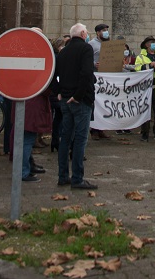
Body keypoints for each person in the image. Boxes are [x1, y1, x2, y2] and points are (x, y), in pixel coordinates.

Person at [55, 21, 97, 190]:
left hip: (65, 99)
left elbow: (56, 74)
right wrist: (78, 96)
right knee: (80, 140)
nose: (87, 35)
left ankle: (62, 176)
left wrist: (59, 91)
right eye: (86, 32)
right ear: (82, 35)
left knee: (65, 138)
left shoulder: (63, 52)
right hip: (79, 100)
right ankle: (77, 179)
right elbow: (87, 73)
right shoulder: (85, 49)